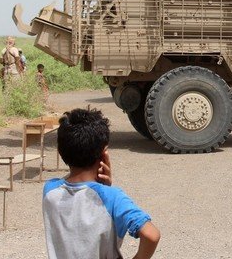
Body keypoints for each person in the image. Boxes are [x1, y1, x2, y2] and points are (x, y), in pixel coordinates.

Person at [43, 108, 160, 258]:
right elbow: (152, 235)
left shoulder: (49, 190)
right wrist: (105, 187)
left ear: (60, 151)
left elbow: (72, 186)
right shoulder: (112, 197)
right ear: (104, 153)